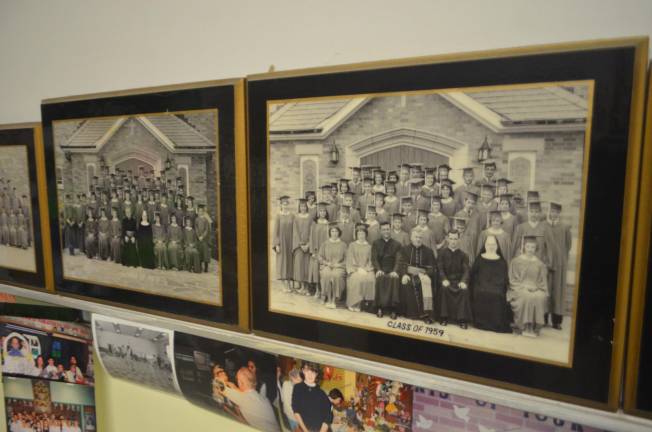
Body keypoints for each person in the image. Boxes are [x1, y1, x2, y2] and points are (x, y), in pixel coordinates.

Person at [508, 235, 549, 337]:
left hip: (536, 287)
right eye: (528, 247)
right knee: (526, 296)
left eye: (533, 247)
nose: (530, 250)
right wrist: (524, 287)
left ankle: (535, 328)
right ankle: (523, 327)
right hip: (519, 288)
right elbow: (512, 279)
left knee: (539, 296)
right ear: (524, 247)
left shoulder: (540, 264)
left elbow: (542, 281)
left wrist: (537, 288)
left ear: (536, 248)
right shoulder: (516, 261)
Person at [470, 235, 512, 332]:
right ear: (485, 245)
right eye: (488, 244)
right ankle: (480, 323)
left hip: (496, 287)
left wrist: (495, 285)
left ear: (497, 246)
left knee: (496, 294)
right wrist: (482, 284)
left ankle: (495, 324)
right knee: (481, 292)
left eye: (493, 244)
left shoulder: (501, 261)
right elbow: (473, 275)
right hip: (481, 286)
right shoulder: (480, 259)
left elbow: (503, 278)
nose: (491, 246)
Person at [219, 367, 280, 432]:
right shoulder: (263, 399)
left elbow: (220, 387)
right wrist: (234, 387)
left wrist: (221, 378)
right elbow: (244, 394)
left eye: (237, 379)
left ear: (240, 383)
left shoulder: (244, 399)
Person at [397, 230, 437, 323]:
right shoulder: (405, 249)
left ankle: (425, 314)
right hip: (409, 275)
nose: (418, 239)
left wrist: (426, 274)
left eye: (420, 237)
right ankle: (410, 313)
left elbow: (432, 267)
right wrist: (404, 275)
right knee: (408, 283)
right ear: (411, 238)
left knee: (424, 282)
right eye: (416, 237)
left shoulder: (428, 251)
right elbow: (401, 264)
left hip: (423, 276)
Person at [545, 202, 572, 330]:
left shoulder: (565, 227)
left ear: (559, 213)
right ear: (549, 212)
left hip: (560, 264)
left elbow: (568, 246)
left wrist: (561, 259)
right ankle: (543, 318)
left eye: (556, 212)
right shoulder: (544, 226)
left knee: (558, 291)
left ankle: (557, 321)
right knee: (546, 289)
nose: (553, 214)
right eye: (552, 211)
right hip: (547, 263)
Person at [438, 230, 471, 328]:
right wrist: (443, 279)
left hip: (458, 281)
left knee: (464, 290)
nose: (453, 241)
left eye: (455, 239)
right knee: (444, 289)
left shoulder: (463, 255)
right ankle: (444, 317)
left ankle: (462, 320)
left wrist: (463, 281)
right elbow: (440, 268)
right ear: (447, 239)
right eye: (451, 239)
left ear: (459, 239)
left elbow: (466, 270)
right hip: (446, 280)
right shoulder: (442, 253)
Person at [371, 221, 402, 319]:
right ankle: (380, 308)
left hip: (392, 269)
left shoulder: (397, 244)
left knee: (394, 279)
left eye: (388, 229)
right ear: (380, 231)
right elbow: (374, 258)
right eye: (384, 229)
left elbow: (398, 259)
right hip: (381, 268)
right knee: (380, 277)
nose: (386, 231)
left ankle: (393, 309)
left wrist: (395, 271)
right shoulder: (376, 243)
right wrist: (378, 269)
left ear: (390, 230)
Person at [292, 362, 333, 432]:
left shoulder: (322, 393)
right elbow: (296, 411)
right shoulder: (298, 388)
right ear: (302, 371)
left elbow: (328, 416)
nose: (310, 374)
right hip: (303, 430)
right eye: (307, 370)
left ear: (316, 374)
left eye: (313, 371)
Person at [345, 224, 375, 312]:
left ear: (366, 235)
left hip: (366, 269)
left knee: (371, 279)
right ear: (356, 235)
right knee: (356, 278)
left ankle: (361, 303)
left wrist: (366, 269)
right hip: (355, 269)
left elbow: (370, 260)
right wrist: (358, 269)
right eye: (359, 234)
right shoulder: (352, 245)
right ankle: (352, 303)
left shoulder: (369, 247)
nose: (361, 236)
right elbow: (350, 259)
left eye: (363, 234)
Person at [318, 225, 348, 309]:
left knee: (336, 276)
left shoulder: (343, 245)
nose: (334, 233)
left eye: (336, 231)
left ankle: (334, 299)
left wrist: (339, 264)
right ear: (330, 233)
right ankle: (327, 298)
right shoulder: (325, 243)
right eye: (332, 231)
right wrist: (326, 263)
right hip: (327, 265)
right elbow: (320, 256)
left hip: (339, 266)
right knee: (326, 274)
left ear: (339, 233)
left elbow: (347, 259)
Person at [273, 196, 294, 292]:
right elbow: (275, 231)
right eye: (283, 204)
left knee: (289, 261)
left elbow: (295, 230)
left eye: (287, 204)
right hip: (282, 242)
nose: (285, 206)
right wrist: (277, 244)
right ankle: (283, 285)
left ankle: (289, 283)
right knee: (282, 262)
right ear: (281, 205)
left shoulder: (292, 216)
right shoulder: (278, 216)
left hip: (290, 241)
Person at [196, 204, 212, 273]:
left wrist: (202, 236)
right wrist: (198, 236)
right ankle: (199, 265)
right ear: (198, 212)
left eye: (201, 211)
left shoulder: (206, 220)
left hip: (204, 239)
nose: (200, 212)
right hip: (199, 238)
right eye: (199, 211)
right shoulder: (197, 219)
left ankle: (206, 267)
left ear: (203, 212)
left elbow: (207, 229)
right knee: (199, 252)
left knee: (205, 252)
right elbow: (196, 228)